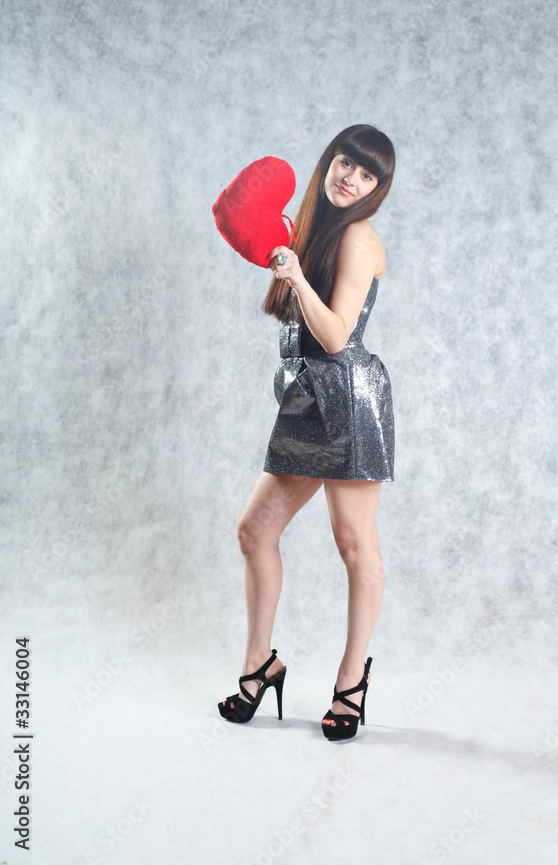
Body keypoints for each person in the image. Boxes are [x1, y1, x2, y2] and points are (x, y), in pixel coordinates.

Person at [218, 124, 396, 741]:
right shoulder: (308, 229)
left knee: (354, 544)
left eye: (368, 175)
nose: (351, 178)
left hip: (349, 403)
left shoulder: (359, 239)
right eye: (347, 163)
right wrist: (285, 259)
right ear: (331, 161)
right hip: (304, 401)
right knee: (254, 531)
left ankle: (351, 683)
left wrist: (294, 274)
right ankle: (260, 664)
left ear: (377, 188)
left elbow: (338, 338)